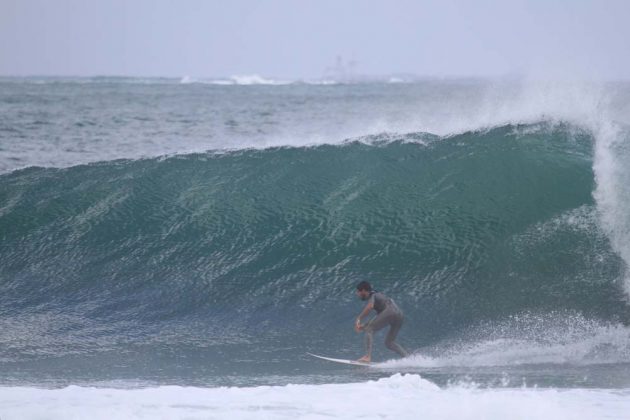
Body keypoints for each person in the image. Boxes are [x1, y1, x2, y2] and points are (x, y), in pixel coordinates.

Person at [354, 281, 408, 363]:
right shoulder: (379, 296)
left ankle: (367, 357)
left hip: (391, 311)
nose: (357, 294)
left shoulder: (373, 295)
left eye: (358, 291)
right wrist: (364, 326)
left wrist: (359, 318)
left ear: (364, 290)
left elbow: (369, 307)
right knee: (389, 342)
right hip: (399, 315)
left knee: (369, 330)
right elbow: (379, 317)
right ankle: (408, 358)